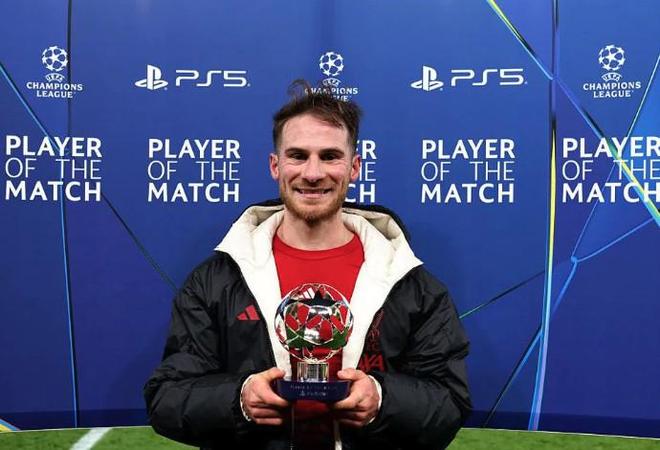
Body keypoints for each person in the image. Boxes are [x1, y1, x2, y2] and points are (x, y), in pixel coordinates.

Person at [144, 81, 471, 450]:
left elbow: (450, 404)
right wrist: (239, 398)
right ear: (275, 165)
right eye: (297, 155)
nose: (313, 173)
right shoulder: (216, 280)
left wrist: (382, 400)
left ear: (355, 167)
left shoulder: (410, 283)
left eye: (330, 156)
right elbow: (166, 397)